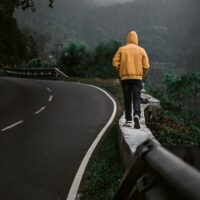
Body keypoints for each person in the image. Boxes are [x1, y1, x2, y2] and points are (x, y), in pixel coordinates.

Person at [112, 31, 150, 128]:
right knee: (136, 97)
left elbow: (114, 63)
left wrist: (121, 72)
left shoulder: (122, 49)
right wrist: (141, 74)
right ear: (136, 39)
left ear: (128, 39)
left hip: (125, 78)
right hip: (137, 78)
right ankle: (136, 114)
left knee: (127, 98)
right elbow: (146, 66)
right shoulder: (141, 50)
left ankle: (128, 120)